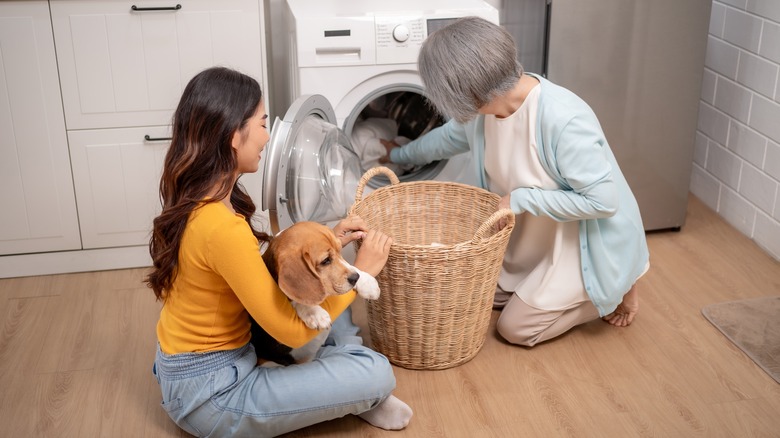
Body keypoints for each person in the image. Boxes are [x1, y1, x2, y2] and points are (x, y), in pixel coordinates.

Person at [146, 66, 412, 437]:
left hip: (201, 367)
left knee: (330, 307)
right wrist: (360, 273)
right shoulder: (221, 228)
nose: (268, 137)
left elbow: (255, 277)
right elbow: (289, 331)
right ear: (232, 135)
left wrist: (327, 248)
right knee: (375, 369)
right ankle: (354, 389)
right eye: (261, 124)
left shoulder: (204, 203)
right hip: (214, 396)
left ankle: (329, 387)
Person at [380, 17, 650, 347]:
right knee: (476, 293)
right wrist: (398, 156)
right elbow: (442, 140)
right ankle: (540, 286)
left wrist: (521, 199)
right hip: (531, 238)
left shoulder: (563, 119)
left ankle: (616, 288)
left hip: (581, 241)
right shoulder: (483, 114)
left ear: (470, 90)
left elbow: (603, 203)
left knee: (514, 330)